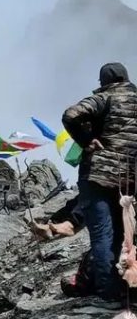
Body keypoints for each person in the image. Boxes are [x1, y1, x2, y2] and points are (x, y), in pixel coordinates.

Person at [62, 62, 137, 302]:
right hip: (131, 179)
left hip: (100, 177)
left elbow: (71, 115)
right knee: (122, 234)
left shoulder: (104, 98)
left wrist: (86, 140)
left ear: (104, 82)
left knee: (103, 235)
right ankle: (125, 287)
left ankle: (108, 292)